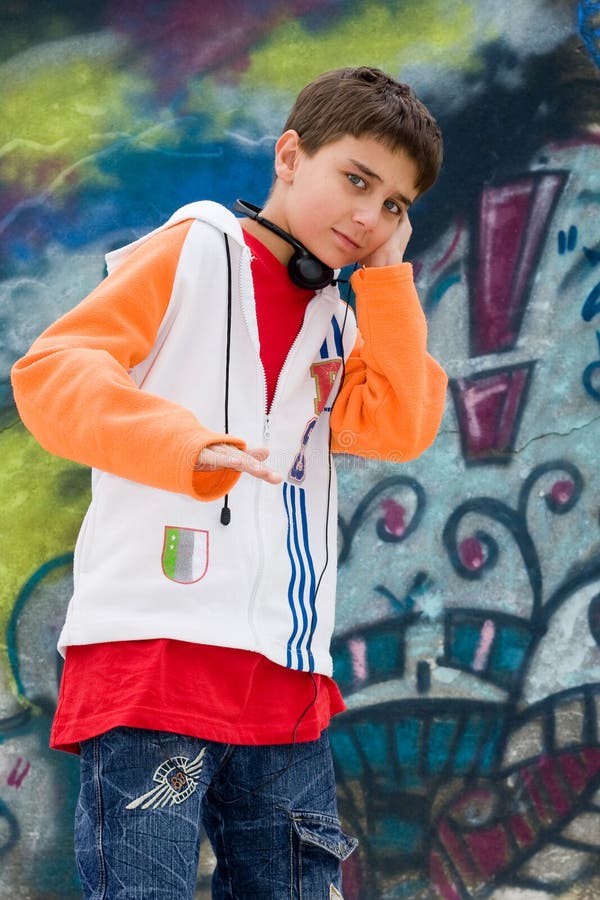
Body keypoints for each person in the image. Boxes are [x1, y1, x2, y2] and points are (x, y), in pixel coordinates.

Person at [11, 66, 447, 899]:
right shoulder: (195, 250)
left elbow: (398, 423)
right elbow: (52, 372)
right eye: (356, 180)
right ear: (290, 155)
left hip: (284, 685)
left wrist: (387, 278)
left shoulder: (343, 315)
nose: (368, 215)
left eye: (395, 204)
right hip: (153, 663)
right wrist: (183, 444)